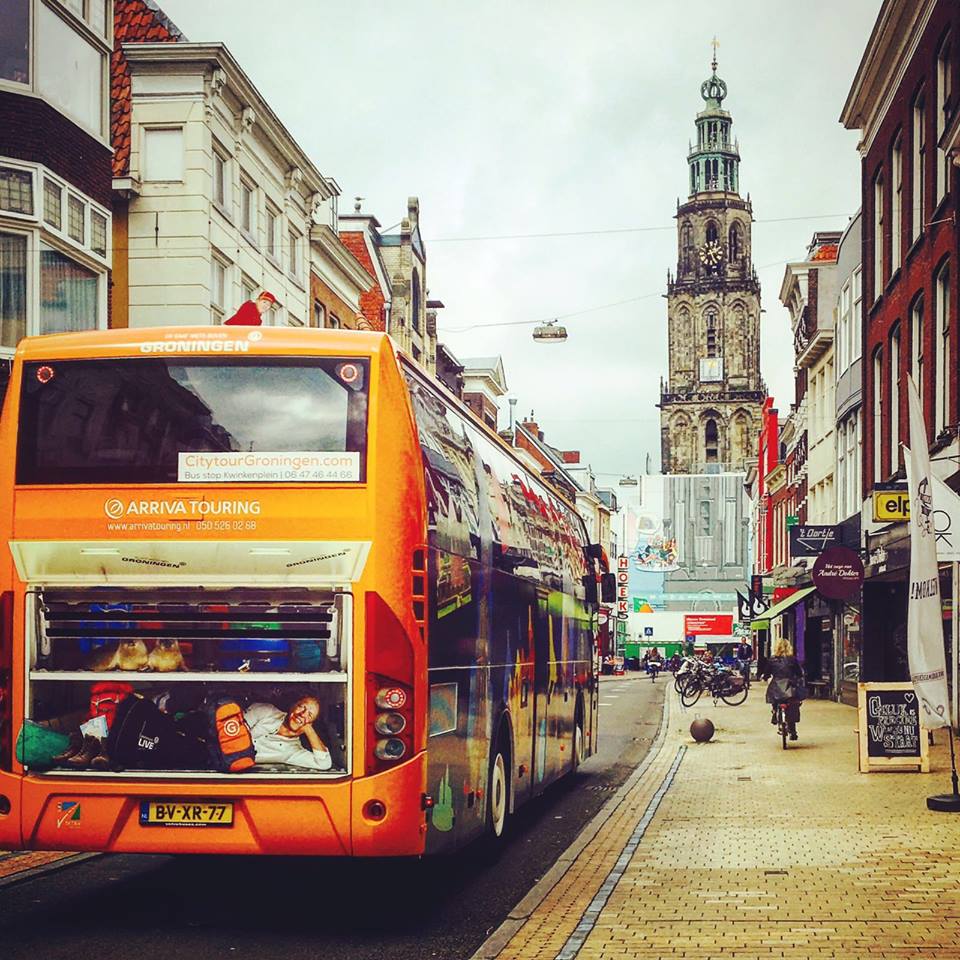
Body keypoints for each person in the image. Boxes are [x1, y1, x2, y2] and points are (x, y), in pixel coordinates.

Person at [244, 696, 332, 770]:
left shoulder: (293, 751)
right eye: (301, 706)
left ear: (311, 725)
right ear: (293, 706)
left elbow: (324, 763)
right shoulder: (265, 710)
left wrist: (309, 730)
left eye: (310, 715)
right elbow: (236, 730)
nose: (303, 714)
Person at [761, 639, 805, 740]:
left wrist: (764, 677)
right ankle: (792, 731)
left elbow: (767, 673)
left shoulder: (772, 660)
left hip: (777, 686)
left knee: (774, 698)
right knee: (793, 704)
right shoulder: (792, 659)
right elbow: (799, 673)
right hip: (790, 686)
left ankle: (774, 712)